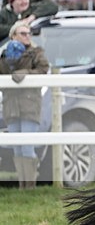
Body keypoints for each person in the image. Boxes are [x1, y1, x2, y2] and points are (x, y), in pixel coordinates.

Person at [0, 21, 50, 189]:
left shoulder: (36, 52)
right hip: (11, 104)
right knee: (17, 148)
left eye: (28, 33)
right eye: (23, 33)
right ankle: (23, 185)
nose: (27, 36)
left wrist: (25, 73)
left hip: (29, 104)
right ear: (13, 35)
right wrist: (9, 61)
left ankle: (30, 186)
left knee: (27, 146)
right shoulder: (5, 55)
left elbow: (44, 70)